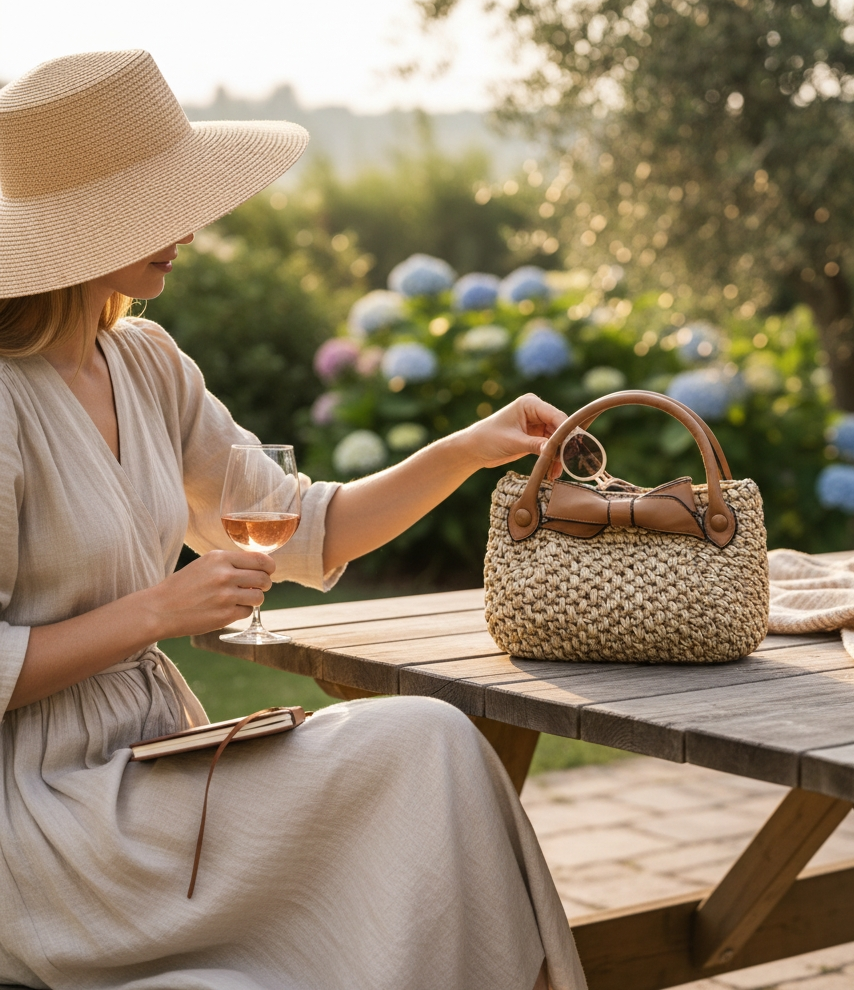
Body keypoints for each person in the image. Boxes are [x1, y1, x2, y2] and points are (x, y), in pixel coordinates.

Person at [0, 50, 586, 990]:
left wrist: (467, 448)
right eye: (158, 203)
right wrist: (159, 611)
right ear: (76, 227)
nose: (188, 225)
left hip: (156, 766)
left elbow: (306, 526)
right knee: (420, 753)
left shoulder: (147, 364)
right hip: (47, 816)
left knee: (432, 748)